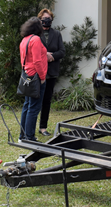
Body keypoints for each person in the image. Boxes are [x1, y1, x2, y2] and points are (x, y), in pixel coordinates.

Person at [18, 17, 48, 142]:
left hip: (27, 75)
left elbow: (23, 60)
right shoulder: (35, 39)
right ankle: (29, 137)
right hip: (36, 77)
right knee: (34, 108)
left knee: (27, 105)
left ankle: (22, 136)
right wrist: (42, 77)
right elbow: (37, 61)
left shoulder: (24, 40)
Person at [37, 8, 65, 137]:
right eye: (44, 19)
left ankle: (43, 127)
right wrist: (44, 55)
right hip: (38, 72)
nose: (46, 22)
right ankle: (30, 126)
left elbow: (62, 51)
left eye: (48, 19)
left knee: (47, 100)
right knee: (35, 99)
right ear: (40, 20)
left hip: (51, 72)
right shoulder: (36, 34)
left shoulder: (57, 34)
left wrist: (52, 56)